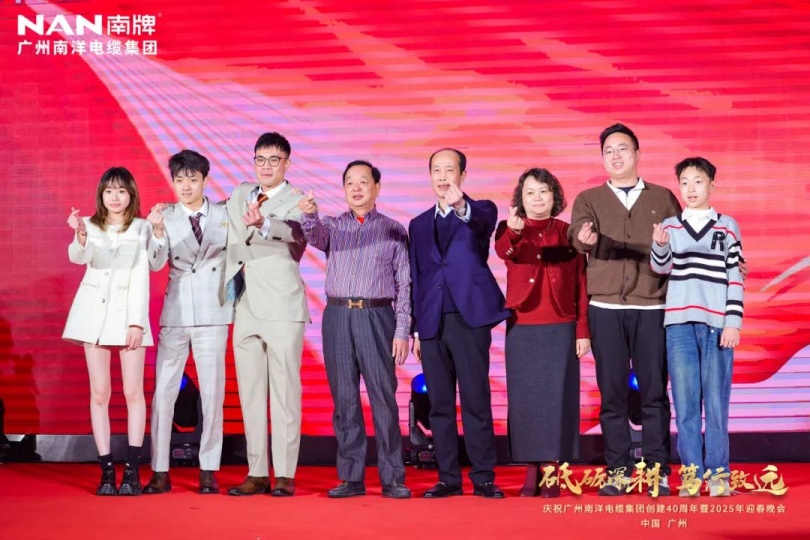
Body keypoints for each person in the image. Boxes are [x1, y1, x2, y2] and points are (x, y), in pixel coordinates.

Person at [568, 124, 681, 497]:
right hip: (605, 308)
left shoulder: (662, 197)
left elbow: (681, 245)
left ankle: (657, 470)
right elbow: (577, 235)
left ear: (637, 153)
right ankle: (618, 470)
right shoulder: (589, 199)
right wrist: (582, 239)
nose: (615, 156)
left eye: (623, 149)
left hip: (652, 306)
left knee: (654, 393)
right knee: (612, 394)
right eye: (609, 151)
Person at [299, 160, 411, 499]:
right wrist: (309, 214)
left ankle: (393, 478)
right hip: (337, 317)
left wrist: (402, 330)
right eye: (350, 182)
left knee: (383, 398)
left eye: (363, 181)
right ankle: (351, 477)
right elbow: (313, 235)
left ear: (377, 187)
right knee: (345, 399)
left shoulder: (393, 229)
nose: (356, 188)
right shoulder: (333, 226)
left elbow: (405, 284)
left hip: (377, 316)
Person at [409, 148, 511, 499]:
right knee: (438, 405)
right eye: (436, 170)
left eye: (449, 170)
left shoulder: (480, 210)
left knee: (475, 399)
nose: (442, 177)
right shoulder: (418, 224)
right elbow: (418, 277)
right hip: (432, 322)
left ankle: (483, 477)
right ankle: (448, 478)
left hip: (469, 320)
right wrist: (417, 328)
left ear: (462, 175)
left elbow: (481, 224)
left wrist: (460, 206)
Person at [650, 157, 744, 497]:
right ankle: (691, 476)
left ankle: (719, 475)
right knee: (686, 404)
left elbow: (736, 276)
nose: (691, 189)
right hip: (678, 324)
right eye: (685, 182)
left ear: (712, 186)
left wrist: (733, 322)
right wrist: (660, 245)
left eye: (698, 181)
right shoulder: (670, 226)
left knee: (716, 404)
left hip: (717, 324)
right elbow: (660, 268)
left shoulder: (728, 226)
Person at [494, 168, 590, 497]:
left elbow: (581, 284)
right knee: (526, 400)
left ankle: (553, 468)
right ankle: (531, 467)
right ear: (520, 199)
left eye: (543, 192)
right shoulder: (509, 230)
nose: (537, 198)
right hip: (522, 327)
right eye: (530, 192)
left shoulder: (568, 233)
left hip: (562, 326)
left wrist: (583, 330)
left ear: (555, 196)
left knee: (558, 399)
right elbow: (503, 251)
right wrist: (515, 232)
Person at [222, 132, 308, 497]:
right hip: (245, 304)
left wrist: (263, 224)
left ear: (287, 163)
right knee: (251, 392)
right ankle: (257, 471)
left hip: (282, 305)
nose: (267, 166)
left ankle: (285, 473)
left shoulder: (300, 201)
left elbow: (295, 232)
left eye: (274, 160)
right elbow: (215, 212)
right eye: (261, 159)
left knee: (285, 391)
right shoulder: (242, 192)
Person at [143, 150, 233, 495]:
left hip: (214, 311)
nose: (185, 186)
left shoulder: (225, 213)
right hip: (177, 312)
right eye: (179, 180)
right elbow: (155, 264)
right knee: (164, 394)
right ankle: (159, 469)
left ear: (205, 180)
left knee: (212, 393)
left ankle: (209, 468)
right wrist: (157, 233)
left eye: (192, 179)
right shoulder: (164, 215)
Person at [63, 166, 153, 496]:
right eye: (109, 191)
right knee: (100, 392)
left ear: (132, 195)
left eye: (121, 191)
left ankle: (132, 470)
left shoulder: (142, 227)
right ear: (101, 195)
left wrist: (136, 322)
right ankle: (106, 471)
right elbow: (79, 257)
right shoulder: (88, 224)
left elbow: (142, 274)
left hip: (129, 317)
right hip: (94, 317)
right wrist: (80, 236)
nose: (115, 197)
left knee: (132, 392)